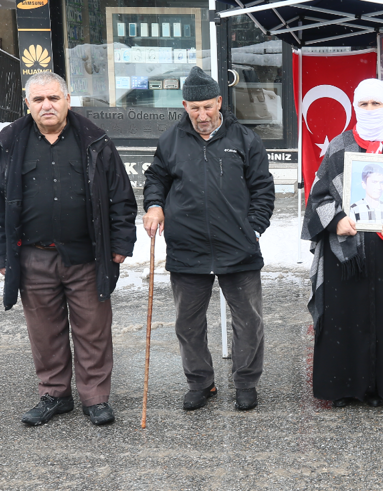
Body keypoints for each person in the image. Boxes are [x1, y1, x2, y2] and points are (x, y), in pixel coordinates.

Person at [0, 72, 137, 426]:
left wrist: (121, 243)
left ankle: (95, 398)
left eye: (53, 98)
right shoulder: (10, 144)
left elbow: (121, 198)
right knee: (44, 331)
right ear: (28, 104)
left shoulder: (95, 140)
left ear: (68, 99)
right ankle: (54, 394)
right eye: (38, 100)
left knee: (93, 329)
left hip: (86, 255)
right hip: (33, 256)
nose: (46, 105)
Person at [142, 66, 275, 412]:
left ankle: (245, 382)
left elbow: (263, 188)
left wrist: (254, 228)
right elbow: (156, 179)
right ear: (184, 105)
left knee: (248, 321)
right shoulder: (171, 140)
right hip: (188, 248)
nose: (202, 115)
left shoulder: (245, 139)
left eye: (208, 106)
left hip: (239, 247)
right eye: (194, 108)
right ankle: (201, 383)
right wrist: (155, 205)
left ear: (219, 101)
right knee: (188, 323)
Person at [302, 78, 383, 408]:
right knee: (346, 319)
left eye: (376, 103)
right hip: (348, 256)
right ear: (355, 108)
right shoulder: (338, 148)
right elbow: (317, 197)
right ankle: (346, 386)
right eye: (364, 104)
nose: (371, 110)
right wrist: (336, 220)